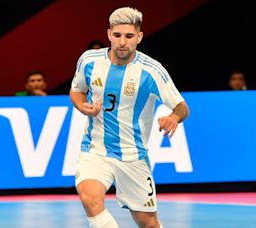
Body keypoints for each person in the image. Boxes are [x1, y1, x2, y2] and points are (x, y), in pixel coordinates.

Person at [69, 7, 189, 228]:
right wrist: (81, 105)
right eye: (117, 35)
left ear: (139, 37)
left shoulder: (152, 71)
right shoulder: (89, 61)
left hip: (133, 156)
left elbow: (182, 107)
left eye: (129, 36)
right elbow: (77, 90)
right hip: (95, 150)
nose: (122, 42)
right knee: (90, 198)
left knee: (148, 223)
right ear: (109, 34)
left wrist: (173, 117)